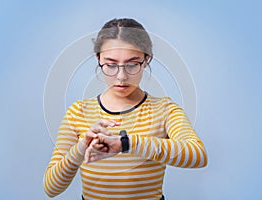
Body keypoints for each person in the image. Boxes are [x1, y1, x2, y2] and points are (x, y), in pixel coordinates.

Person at [43, 18, 207, 200]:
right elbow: (51, 188)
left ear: (146, 59)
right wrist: (81, 149)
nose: (121, 76)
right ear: (98, 58)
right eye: (111, 65)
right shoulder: (77, 112)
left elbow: (197, 155)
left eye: (132, 64)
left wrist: (126, 143)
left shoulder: (165, 110)